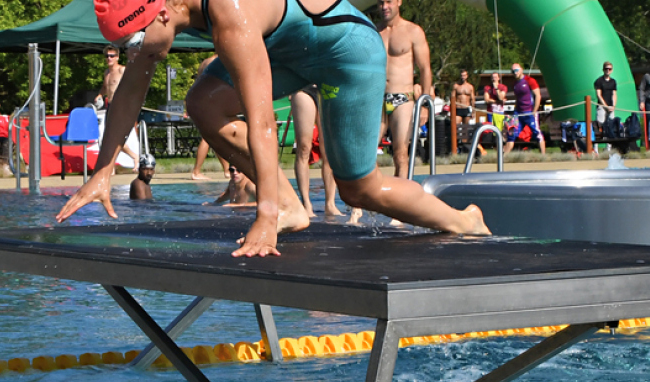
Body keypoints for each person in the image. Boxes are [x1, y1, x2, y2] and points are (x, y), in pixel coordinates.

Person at [57, 0, 489, 257]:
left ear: (162, 14)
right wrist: (102, 171)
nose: (133, 55)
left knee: (360, 189)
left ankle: (464, 220)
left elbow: (260, 119)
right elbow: (131, 91)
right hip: (291, 54)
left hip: (347, 55)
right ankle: (291, 208)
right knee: (203, 102)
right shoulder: (160, 15)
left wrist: (262, 215)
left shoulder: (231, 13)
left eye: (132, 43)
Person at [377, 0, 432, 180]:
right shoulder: (374, 32)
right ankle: (367, 201)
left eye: (389, 2)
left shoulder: (413, 31)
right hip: (377, 98)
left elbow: (425, 69)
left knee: (400, 154)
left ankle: (399, 203)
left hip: (403, 97)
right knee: (367, 156)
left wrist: (424, 103)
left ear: (399, 2)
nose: (384, 7)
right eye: (380, 3)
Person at [290, 86, 344, 217]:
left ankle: (330, 204)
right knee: (304, 148)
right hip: (304, 87)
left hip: (325, 87)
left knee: (328, 151)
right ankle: (306, 203)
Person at [189, 55, 230, 180]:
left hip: (201, 98)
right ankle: (196, 171)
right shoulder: (218, 61)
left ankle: (227, 169)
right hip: (211, 99)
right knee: (208, 137)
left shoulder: (205, 62)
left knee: (215, 135)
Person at [503, 63, 545, 154]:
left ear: (521, 70)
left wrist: (534, 111)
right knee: (511, 133)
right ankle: (503, 157)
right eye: (513, 71)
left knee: (537, 133)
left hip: (529, 112)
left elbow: (538, 96)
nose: (515, 73)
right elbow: (517, 99)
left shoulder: (530, 80)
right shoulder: (515, 84)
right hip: (518, 112)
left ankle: (543, 156)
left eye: (517, 70)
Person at [594, 61, 617, 130]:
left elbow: (614, 94)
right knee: (600, 124)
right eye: (606, 69)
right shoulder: (599, 81)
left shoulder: (613, 81)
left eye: (609, 69)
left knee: (611, 124)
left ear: (612, 70)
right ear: (603, 70)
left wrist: (613, 106)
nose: (608, 70)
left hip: (610, 106)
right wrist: (605, 106)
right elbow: (599, 95)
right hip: (602, 106)